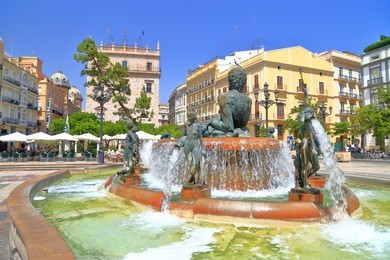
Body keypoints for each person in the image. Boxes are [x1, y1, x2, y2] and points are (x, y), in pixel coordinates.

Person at [205, 65, 252, 137]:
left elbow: (228, 126)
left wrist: (212, 122)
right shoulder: (248, 100)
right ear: (244, 82)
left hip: (230, 136)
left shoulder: (223, 97)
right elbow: (244, 124)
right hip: (244, 133)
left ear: (230, 81)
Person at [293, 107, 321, 193]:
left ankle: (301, 179)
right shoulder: (304, 124)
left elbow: (312, 138)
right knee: (304, 165)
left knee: (316, 166)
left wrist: (314, 148)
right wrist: (304, 113)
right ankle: (304, 185)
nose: (312, 115)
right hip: (305, 144)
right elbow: (301, 118)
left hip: (310, 145)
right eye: (311, 113)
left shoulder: (310, 125)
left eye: (313, 113)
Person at [176, 111, 206, 185]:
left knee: (196, 163)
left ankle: (197, 177)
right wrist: (180, 143)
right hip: (187, 145)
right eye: (188, 116)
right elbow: (184, 136)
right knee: (189, 163)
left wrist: (203, 148)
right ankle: (192, 177)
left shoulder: (198, 126)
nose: (188, 117)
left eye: (190, 116)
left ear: (194, 117)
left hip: (195, 145)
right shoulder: (186, 126)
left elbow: (201, 139)